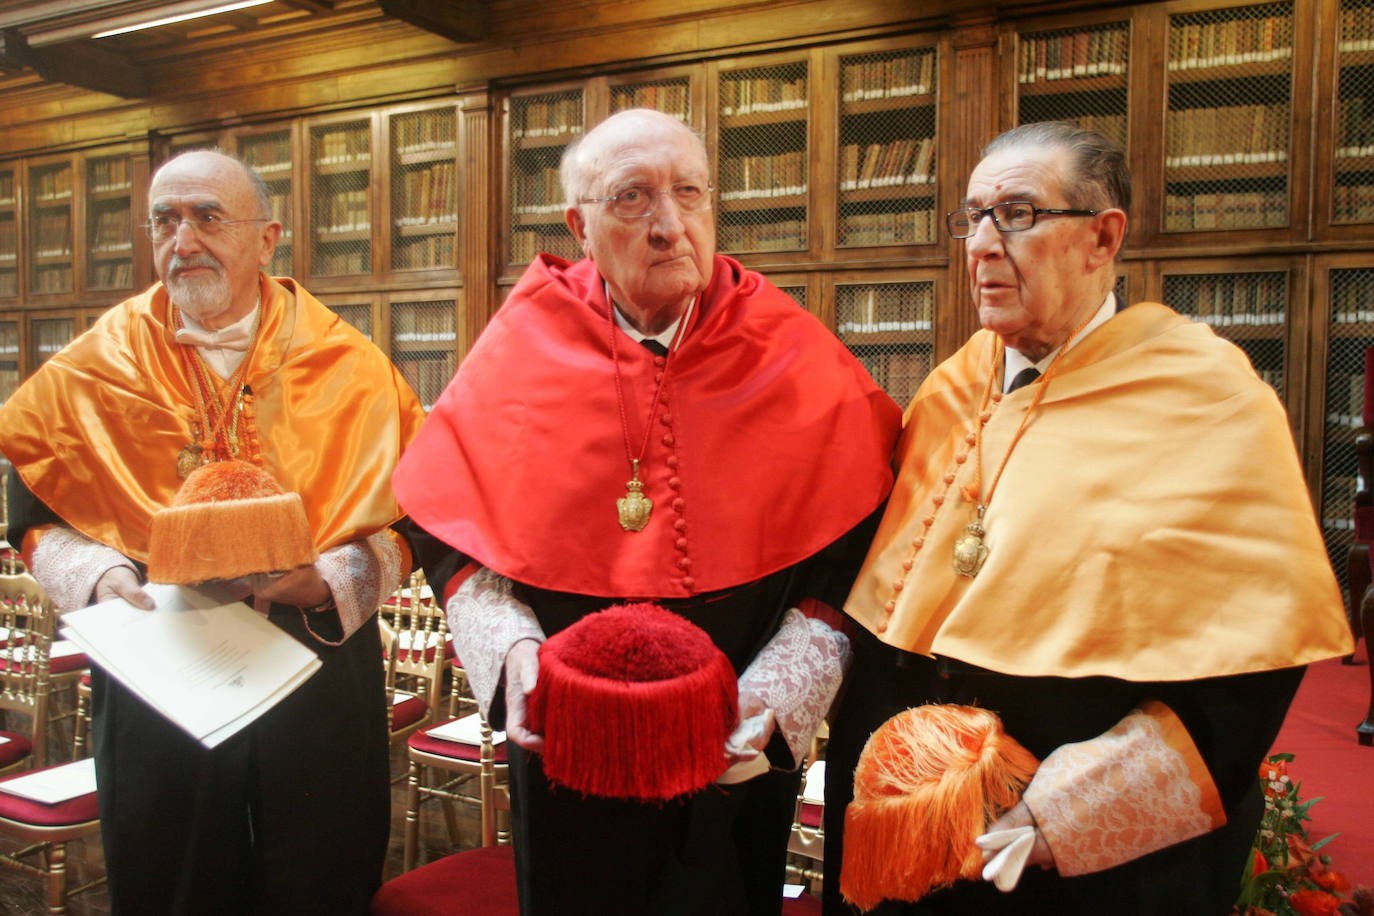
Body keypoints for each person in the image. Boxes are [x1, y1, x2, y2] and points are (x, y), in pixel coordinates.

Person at [823, 122, 1354, 915]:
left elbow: (1247, 672)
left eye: (1018, 214)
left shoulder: (1204, 395)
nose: (981, 244)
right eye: (971, 217)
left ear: (1104, 237)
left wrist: (1064, 816)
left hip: (1067, 843)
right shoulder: (949, 386)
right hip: (912, 818)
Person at [392, 108, 902, 916]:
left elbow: (858, 543)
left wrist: (774, 696)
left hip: (739, 740)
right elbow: (447, 530)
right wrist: (516, 653)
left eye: (689, 193)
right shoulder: (524, 342)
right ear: (580, 225)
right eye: (633, 198)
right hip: (569, 747)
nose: (669, 225)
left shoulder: (789, 347)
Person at [0, 150, 425, 915]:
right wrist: (102, 579)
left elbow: (412, 518)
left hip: (313, 657)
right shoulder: (99, 362)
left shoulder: (350, 365)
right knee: (174, 879)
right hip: (159, 664)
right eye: (165, 220)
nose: (183, 240)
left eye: (206, 217)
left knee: (320, 874)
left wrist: (329, 580)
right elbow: (35, 512)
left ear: (267, 239)